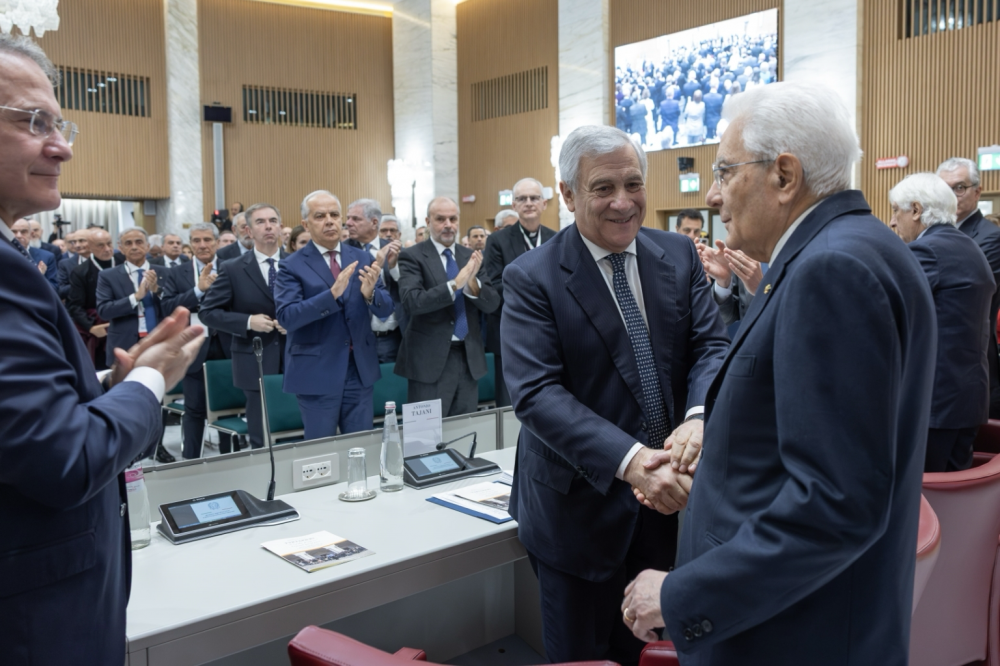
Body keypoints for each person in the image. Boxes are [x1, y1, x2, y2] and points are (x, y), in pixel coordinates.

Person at [622, 82, 936, 666]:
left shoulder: (830, 269)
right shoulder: (862, 247)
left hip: (790, 634)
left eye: (724, 172)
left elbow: (834, 504)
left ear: (785, 175)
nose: (712, 195)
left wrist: (680, 593)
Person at [0, 32, 204, 665]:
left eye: (60, 125)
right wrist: (150, 382)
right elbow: (64, 460)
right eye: (34, 122)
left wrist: (107, 391)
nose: (61, 146)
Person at [501, 125, 728, 665]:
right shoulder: (532, 276)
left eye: (633, 184)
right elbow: (536, 394)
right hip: (577, 517)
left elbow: (711, 346)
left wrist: (698, 417)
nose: (623, 202)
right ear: (567, 194)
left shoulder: (677, 253)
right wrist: (634, 464)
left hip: (668, 507)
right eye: (603, 188)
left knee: (657, 652)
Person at [889, 173, 994, 472]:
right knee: (955, 493)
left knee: (925, 493)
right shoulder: (969, 246)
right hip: (966, 398)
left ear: (916, 210)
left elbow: (884, 308)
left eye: (896, 210)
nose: (893, 222)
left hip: (936, 402)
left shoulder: (927, 251)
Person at [275, 191, 393, 439]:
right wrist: (331, 295)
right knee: (321, 450)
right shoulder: (291, 265)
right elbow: (287, 317)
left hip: (358, 370)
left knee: (360, 445)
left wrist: (371, 294)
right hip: (316, 371)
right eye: (320, 216)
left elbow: (385, 310)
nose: (329, 221)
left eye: (334, 215)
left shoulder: (362, 257)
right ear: (306, 224)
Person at [395, 197, 499, 416]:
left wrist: (471, 283)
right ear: (428, 221)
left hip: (468, 358)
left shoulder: (470, 256)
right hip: (429, 361)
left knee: (464, 430)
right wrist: (454, 284)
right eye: (440, 219)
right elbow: (412, 302)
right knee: (426, 433)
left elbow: (492, 304)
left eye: (453, 219)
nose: (448, 224)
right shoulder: (412, 256)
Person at [199, 203, 288, 450]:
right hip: (254, 357)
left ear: (280, 227)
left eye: (273, 221)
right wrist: (248, 322)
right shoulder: (233, 268)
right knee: (261, 437)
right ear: (248, 231)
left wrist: (295, 322)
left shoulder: (297, 263)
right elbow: (207, 312)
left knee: (296, 431)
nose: (268, 226)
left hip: (296, 356)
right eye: (260, 222)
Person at [96, 227, 175, 463]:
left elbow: (174, 305)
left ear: (148, 246)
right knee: (124, 397)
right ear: (120, 248)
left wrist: (157, 292)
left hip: (156, 342)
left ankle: (156, 445)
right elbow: (104, 310)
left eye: (139, 242)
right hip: (124, 344)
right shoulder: (109, 275)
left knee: (156, 396)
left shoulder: (164, 272)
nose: (134, 247)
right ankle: (126, 448)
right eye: (128, 243)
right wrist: (136, 297)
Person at [160, 223, 236, 458]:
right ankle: (190, 461)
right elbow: (168, 307)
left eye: (207, 240)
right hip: (193, 347)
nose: (202, 245)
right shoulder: (177, 272)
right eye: (196, 240)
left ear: (217, 242)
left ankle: (231, 458)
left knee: (229, 409)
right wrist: (197, 291)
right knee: (194, 409)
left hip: (227, 345)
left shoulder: (233, 267)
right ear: (190, 244)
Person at [484, 178, 557, 408]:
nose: (529, 203)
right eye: (522, 199)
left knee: (550, 398)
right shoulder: (497, 241)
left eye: (534, 198)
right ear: (514, 205)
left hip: (551, 331)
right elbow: (495, 285)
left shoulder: (556, 239)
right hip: (511, 330)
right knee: (509, 403)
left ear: (544, 203)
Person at [937, 157, 1000, 419]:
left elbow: (956, 293)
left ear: (977, 191)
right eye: (944, 189)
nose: (951, 195)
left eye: (959, 187)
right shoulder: (936, 233)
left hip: (969, 361)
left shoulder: (990, 237)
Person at [67, 228, 120, 368]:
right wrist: (90, 327)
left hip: (125, 321)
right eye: (100, 245)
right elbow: (75, 306)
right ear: (90, 247)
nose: (107, 249)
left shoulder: (123, 262)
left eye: (109, 243)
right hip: (98, 325)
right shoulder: (80, 272)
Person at [699, 222, 765, 326]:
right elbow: (727, 319)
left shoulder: (792, 256)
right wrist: (723, 282)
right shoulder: (742, 257)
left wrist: (761, 289)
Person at [11, 217, 58, 290]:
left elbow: (54, 288)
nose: (18, 235)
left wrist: (39, 277)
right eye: (14, 232)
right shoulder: (2, 254)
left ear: (31, 234)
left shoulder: (47, 256)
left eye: (23, 231)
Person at [56, 228, 91, 299]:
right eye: (74, 242)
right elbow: (60, 291)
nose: (77, 245)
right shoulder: (65, 264)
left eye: (81, 241)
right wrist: (80, 283)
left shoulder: (105, 260)